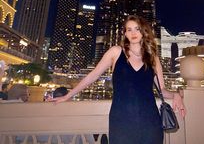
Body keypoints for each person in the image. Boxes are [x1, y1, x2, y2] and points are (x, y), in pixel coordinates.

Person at [50, 15, 186, 144]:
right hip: (121, 121)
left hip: (150, 122)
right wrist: (68, 95)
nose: (133, 33)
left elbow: (161, 89)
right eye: (129, 29)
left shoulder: (153, 58)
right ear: (125, 33)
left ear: (143, 32)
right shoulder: (116, 52)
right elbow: (93, 75)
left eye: (137, 29)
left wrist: (175, 95)